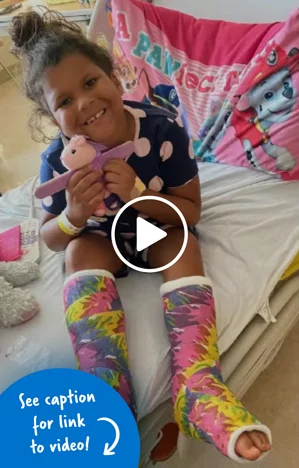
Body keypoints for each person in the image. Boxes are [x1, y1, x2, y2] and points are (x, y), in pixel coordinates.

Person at [10, 9, 271, 463]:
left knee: (181, 243)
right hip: (99, 240)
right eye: (65, 101)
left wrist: (135, 193)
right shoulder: (57, 161)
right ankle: (107, 391)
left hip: (152, 229)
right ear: (53, 119)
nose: (85, 104)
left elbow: (189, 212)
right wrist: (73, 214)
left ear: (115, 74)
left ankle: (197, 385)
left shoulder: (160, 130)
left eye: (90, 83)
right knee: (77, 250)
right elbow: (52, 238)